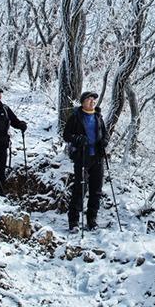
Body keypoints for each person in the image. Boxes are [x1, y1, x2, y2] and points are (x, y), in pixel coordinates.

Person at [63, 91, 109, 230]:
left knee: (96, 190)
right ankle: (74, 222)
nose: (92, 102)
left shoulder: (98, 117)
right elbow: (66, 135)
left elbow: (105, 134)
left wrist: (104, 142)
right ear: (83, 102)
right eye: (89, 99)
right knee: (80, 189)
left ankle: (92, 220)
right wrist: (77, 139)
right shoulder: (76, 117)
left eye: (93, 100)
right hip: (82, 157)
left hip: (98, 158)